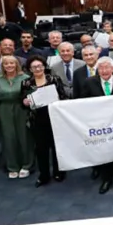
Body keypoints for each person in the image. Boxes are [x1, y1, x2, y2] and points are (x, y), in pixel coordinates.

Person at [81, 57, 113, 194]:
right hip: (99, 124)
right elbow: (82, 103)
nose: (104, 71)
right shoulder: (89, 82)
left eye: (107, 67)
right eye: (101, 68)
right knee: (103, 150)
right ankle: (106, 179)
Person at [21, 56, 67, 187]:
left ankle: (59, 172)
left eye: (40, 66)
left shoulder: (54, 79)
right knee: (41, 149)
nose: (37, 69)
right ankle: (44, 175)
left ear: (44, 66)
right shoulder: (26, 83)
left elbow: (63, 96)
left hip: (54, 117)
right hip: (37, 119)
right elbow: (22, 100)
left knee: (56, 146)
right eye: (34, 67)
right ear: (30, 69)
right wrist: (24, 102)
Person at [0, 56, 33, 179]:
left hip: (22, 110)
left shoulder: (25, 78)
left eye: (12, 63)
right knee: (9, 138)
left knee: (24, 137)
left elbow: (30, 96)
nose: (9, 66)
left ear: (16, 65)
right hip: (5, 110)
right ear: (2, 66)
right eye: (6, 64)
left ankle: (26, 165)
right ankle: (12, 166)